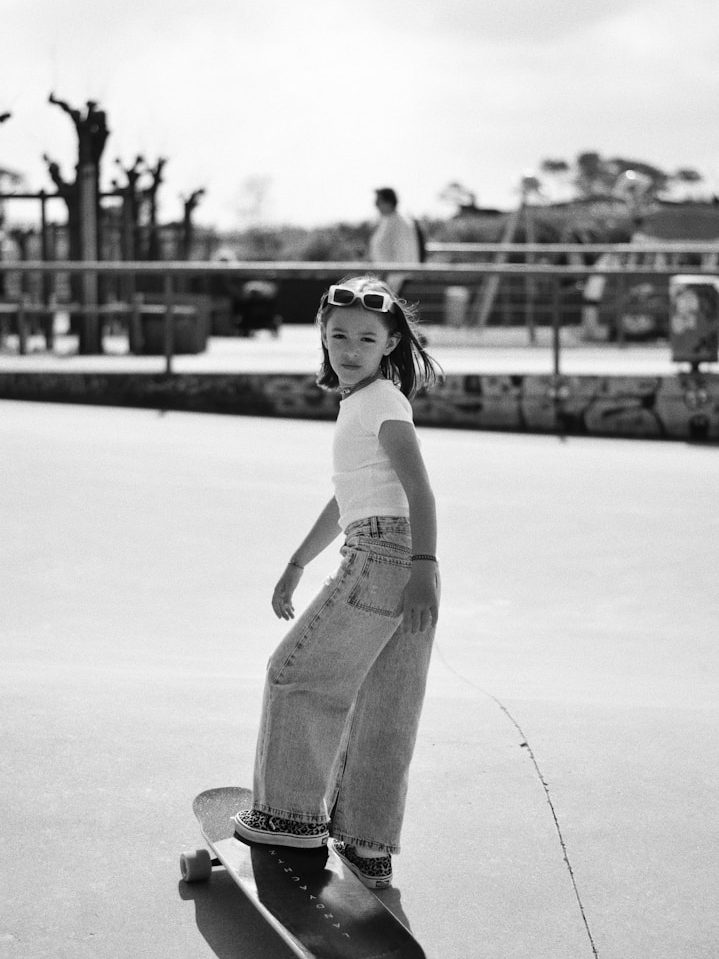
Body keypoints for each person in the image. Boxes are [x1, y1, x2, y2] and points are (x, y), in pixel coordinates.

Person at [233, 274, 442, 889]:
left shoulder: (377, 402)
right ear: (322, 337)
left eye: (366, 338)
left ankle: (287, 819)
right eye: (339, 336)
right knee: (385, 705)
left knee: (294, 673)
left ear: (390, 343)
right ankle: (367, 846)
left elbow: (420, 489)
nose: (350, 349)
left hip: (386, 557)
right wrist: (299, 561)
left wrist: (423, 566)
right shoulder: (370, 402)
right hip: (398, 556)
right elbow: (348, 495)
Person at [369, 187, 420, 264]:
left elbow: (404, 256)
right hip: (385, 270)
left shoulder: (401, 223)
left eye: (378, 202)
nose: (376, 205)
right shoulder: (386, 221)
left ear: (389, 202)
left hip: (396, 271)